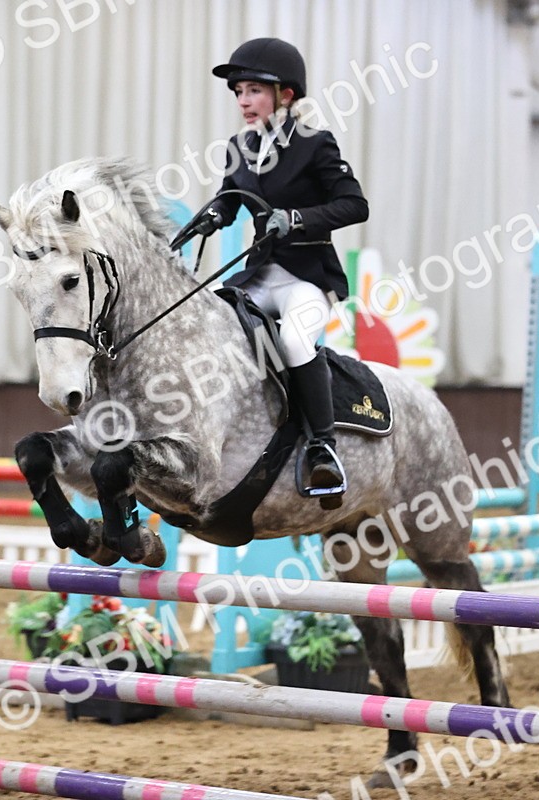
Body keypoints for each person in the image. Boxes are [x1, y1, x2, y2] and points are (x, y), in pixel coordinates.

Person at [181, 37, 368, 504]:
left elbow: (354, 205)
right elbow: (231, 197)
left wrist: (298, 219)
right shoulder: (239, 147)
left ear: (285, 95)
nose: (243, 101)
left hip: (306, 278)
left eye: (253, 91)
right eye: (239, 92)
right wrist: (214, 215)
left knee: (293, 340)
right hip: (258, 276)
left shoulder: (315, 144)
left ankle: (323, 446)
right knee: (210, 327)